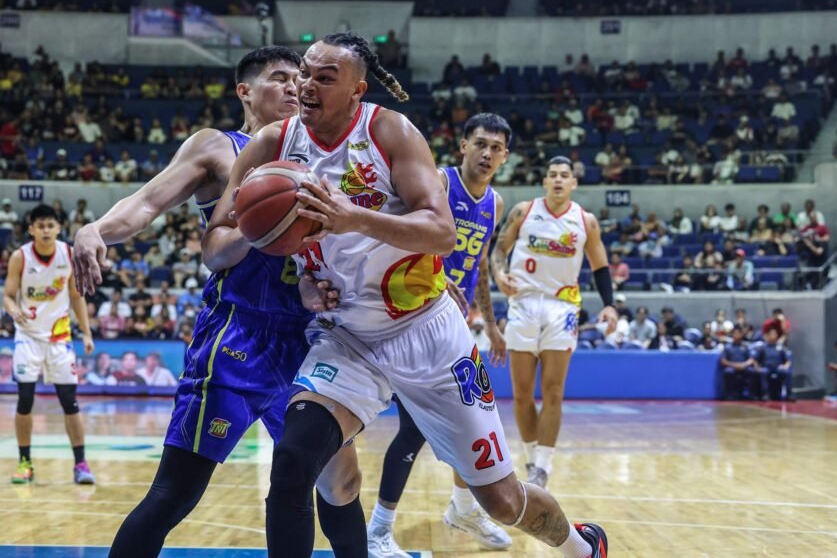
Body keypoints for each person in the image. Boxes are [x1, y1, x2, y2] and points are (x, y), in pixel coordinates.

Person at [205, 34, 608, 558]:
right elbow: (215, 248)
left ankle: (580, 545)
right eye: (304, 72)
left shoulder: (389, 131)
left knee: (501, 500)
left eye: (325, 77)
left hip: (427, 333)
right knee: (292, 462)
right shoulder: (270, 147)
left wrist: (352, 217)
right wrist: (272, 246)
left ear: (357, 90)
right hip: (346, 336)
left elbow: (441, 231)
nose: (306, 85)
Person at [71, 47, 364, 558]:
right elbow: (146, 202)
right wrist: (95, 228)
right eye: (279, 78)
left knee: (337, 487)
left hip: (311, 337)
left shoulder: (323, 156)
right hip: (238, 335)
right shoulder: (218, 147)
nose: (296, 87)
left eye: (300, 79)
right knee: (176, 493)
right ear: (244, 91)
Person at [368, 113, 514, 555]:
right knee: (414, 429)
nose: (487, 153)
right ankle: (378, 529)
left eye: (496, 148)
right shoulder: (440, 182)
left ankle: (463, 507)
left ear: (505, 157)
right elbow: (396, 231)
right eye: (481, 144)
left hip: (454, 324)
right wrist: (431, 272)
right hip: (411, 313)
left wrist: (490, 323)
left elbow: (481, 264)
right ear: (464, 145)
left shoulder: (496, 203)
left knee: (473, 418)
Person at [493, 155, 618, 489]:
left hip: (562, 307)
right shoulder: (523, 212)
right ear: (545, 181)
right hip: (522, 302)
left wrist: (610, 306)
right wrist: (499, 274)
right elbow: (497, 252)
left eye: (565, 175)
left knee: (553, 390)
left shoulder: (585, 221)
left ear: (573, 183)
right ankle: (531, 457)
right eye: (553, 175)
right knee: (521, 393)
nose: (559, 180)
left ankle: (542, 468)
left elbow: (601, 266)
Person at [3, 203, 96, 485]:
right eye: (40, 225)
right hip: (28, 337)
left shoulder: (68, 254)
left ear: (58, 228)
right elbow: (7, 295)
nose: (45, 230)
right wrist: (12, 309)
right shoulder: (20, 257)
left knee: (70, 402)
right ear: (31, 229)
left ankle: (80, 463)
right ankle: (25, 462)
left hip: (59, 338)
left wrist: (87, 332)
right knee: (25, 401)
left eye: (50, 225)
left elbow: (77, 296)